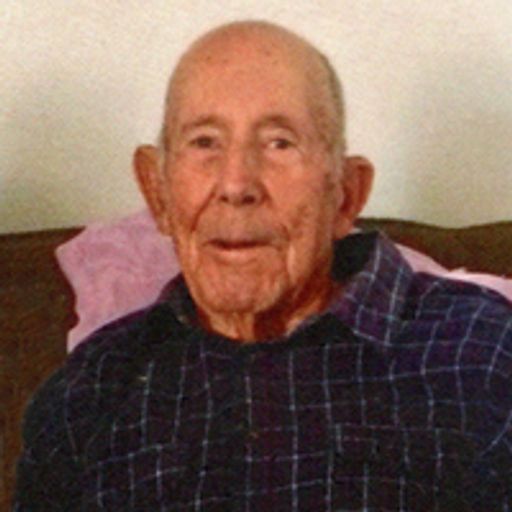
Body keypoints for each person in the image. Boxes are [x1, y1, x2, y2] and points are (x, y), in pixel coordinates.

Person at [14, 20, 512, 511]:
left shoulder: (484, 349)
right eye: (205, 142)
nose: (236, 185)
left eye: (279, 143)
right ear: (157, 191)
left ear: (346, 194)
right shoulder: (90, 390)